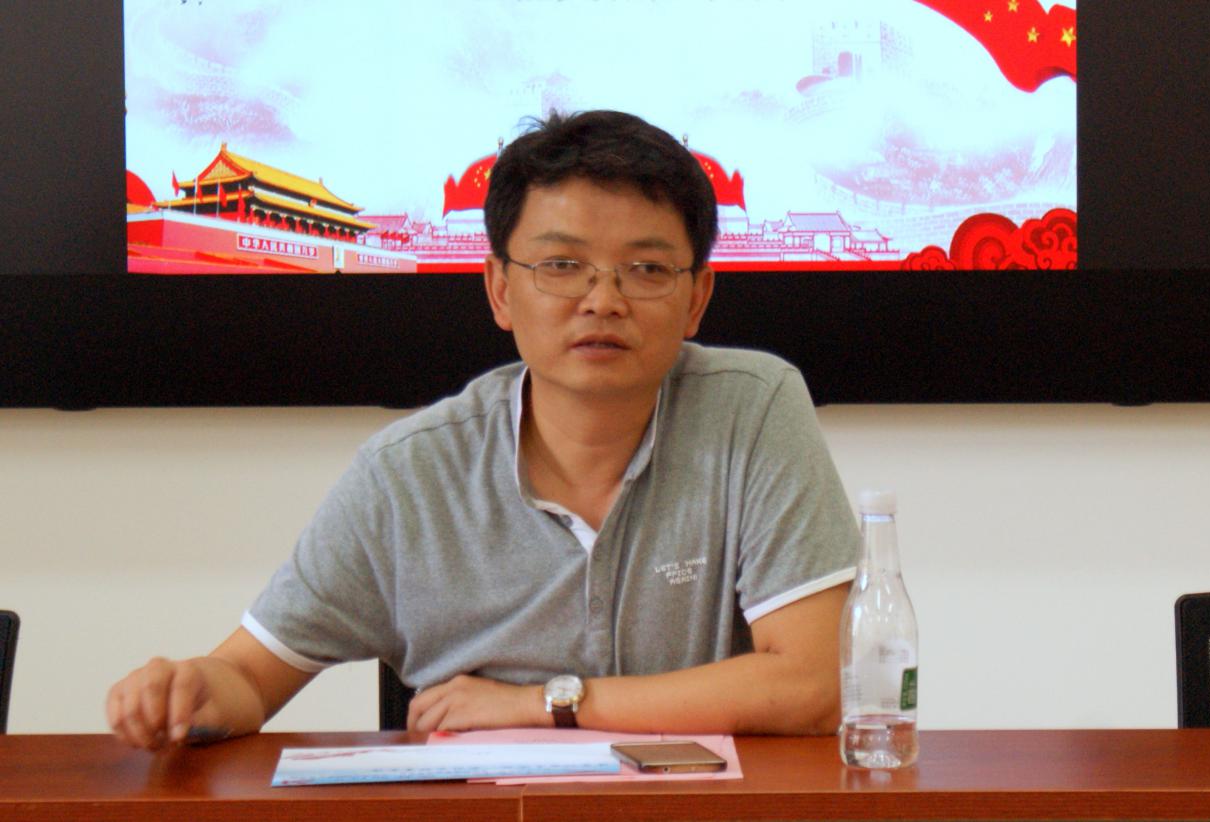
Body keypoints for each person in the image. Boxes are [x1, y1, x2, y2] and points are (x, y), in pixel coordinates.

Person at [106, 110, 859, 749]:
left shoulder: (753, 409)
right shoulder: (408, 474)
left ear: (697, 299)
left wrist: (543, 705)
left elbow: (810, 685)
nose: (603, 300)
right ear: (500, 289)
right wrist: (187, 691)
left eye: (647, 270)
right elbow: (246, 676)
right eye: (561, 265)